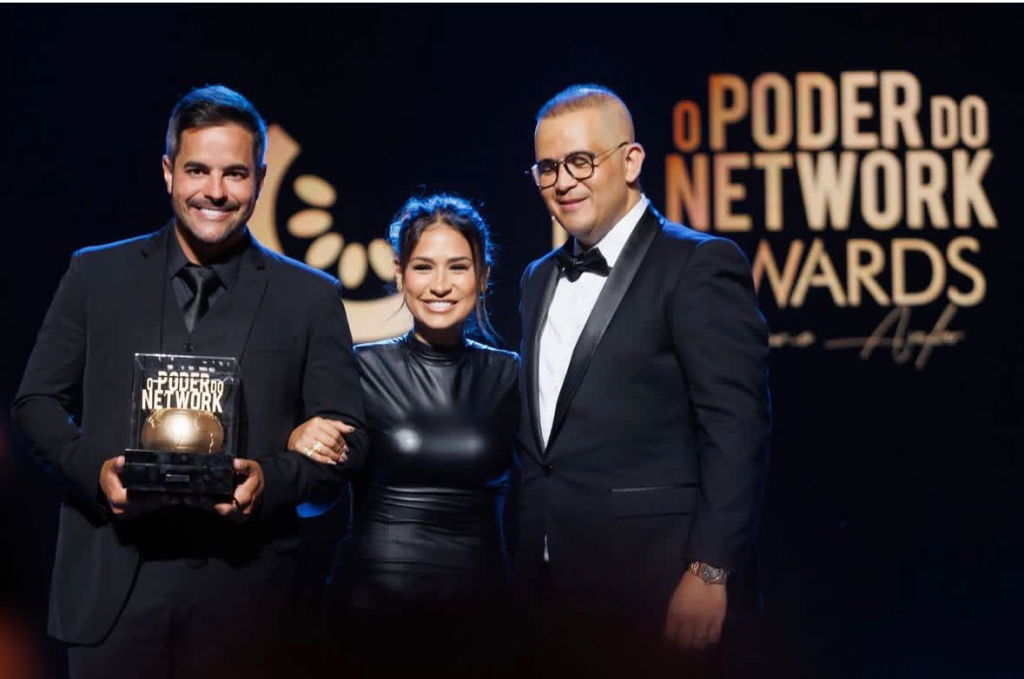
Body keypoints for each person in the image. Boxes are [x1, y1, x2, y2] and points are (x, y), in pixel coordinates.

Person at [11, 85, 367, 679]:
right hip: (110, 590)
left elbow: (348, 437)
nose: (216, 191)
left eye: (235, 173)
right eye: (197, 170)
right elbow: (34, 405)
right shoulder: (95, 274)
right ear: (168, 171)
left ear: (259, 177)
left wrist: (272, 479)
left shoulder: (311, 296)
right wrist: (96, 470)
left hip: (250, 602)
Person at [514, 84, 771, 676]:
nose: (564, 181)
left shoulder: (699, 264)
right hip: (547, 583)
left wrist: (709, 571)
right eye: (547, 167)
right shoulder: (536, 279)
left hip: (657, 582)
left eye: (581, 161)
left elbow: (737, 430)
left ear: (631, 161)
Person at [288, 194, 519, 677]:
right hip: (371, 614)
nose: (439, 285)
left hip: (481, 616)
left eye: (457, 267)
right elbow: (314, 499)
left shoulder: (510, 375)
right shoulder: (361, 368)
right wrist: (299, 446)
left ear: (484, 276)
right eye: (422, 267)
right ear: (399, 275)